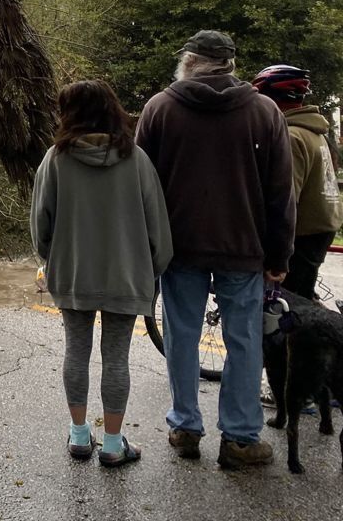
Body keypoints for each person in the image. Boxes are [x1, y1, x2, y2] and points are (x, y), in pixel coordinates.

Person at [135, 30, 295, 469]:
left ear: (188, 62)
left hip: (178, 248)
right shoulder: (264, 112)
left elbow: (140, 188)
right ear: (229, 64)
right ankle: (241, 438)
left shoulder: (159, 109)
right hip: (242, 248)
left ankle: (185, 426)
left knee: (181, 336)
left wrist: (145, 249)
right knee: (243, 341)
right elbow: (281, 193)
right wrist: (280, 257)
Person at [32, 80, 173, 467]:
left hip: (74, 273)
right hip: (126, 276)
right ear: (113, 110)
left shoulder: (55, 159)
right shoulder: (137, 160)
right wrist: (152, 270)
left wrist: (55, 258)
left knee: (75, 351)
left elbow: (40, 224)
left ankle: (79, 437)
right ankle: (113, 444)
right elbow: (157, 228)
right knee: (117, 358)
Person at [252, 65, 342, 300]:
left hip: (302, 231)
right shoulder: (314, 131)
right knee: (301, 294)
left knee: (285, 306)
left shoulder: (291, 136)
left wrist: (274, 251)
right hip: (321, 227)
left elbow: (286, 196)